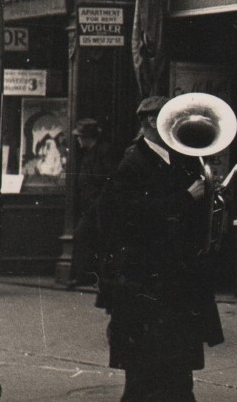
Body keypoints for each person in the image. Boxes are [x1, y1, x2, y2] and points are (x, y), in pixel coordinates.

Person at [96, 96, 224, 402]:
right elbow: (128, 216)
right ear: (150, 122)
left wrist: (208, 195)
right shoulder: (133, 160)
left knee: (176, 371)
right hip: (147, 283)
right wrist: (186, 198)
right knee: (145, 375)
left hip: (174, 281)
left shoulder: (178, 158)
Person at [68, 118, 119, 288]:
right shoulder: (89, 153)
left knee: (86, 236)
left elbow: (109, 179)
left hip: (99, 205)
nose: (78, 140)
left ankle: (90, 276)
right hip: (90, 205)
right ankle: (88, 276)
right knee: (90, 238)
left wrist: (100, 201)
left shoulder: (104, 152)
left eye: (80, 136)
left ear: (87, 137)